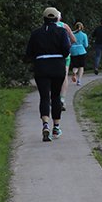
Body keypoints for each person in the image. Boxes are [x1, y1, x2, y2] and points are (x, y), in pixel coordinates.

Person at [25, 7, 71, 141]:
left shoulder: (36, 33)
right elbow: (67, 50)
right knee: (56, 97)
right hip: (57, 67)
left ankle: (45, 124)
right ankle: (56, 127)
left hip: (41, 67)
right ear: (57, 18)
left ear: (44, 19)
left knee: (44, 97)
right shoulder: (62, 32)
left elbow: (29, 53)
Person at [56, 13, 77, 112]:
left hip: (52, 55)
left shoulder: (46, 26)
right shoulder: (64, 26)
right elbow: (73, 39)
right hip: (65, 55)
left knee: (53, 76)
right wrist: (67, 44)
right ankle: (62, 99)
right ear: (60, 17)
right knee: (64, 76)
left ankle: (54, 98)